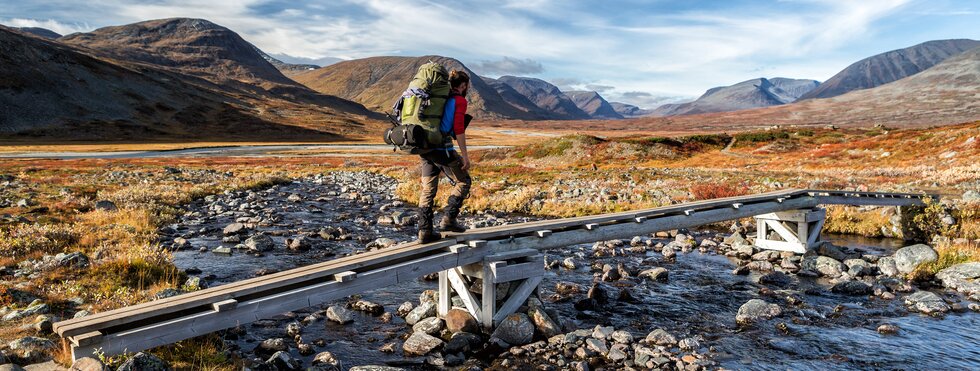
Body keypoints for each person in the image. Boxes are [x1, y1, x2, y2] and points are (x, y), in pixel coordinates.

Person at [417, 69, 473, 243]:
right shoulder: (459, 101)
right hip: (443, 150)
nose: (466, 89)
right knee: (464, 181)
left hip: (425, 148)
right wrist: (465, 156)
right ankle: (448, 220)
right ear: (463, 85)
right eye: (466, 86)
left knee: (428, 189)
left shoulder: (439, 99)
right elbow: (458, 129)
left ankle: (424, 232)